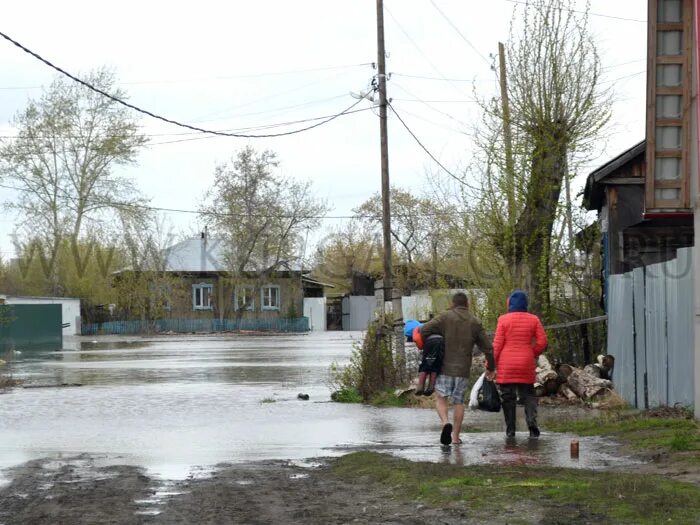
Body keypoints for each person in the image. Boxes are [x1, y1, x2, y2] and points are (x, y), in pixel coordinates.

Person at [420, 292, 495, 446]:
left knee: (441, 398)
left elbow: (424, 330)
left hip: (444, 367)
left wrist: (437, 339)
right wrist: (491, 367)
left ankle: (445, 423)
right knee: (458, 401)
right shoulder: (475, 321)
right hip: (463, 370)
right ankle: (455, 438)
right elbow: (488, 348)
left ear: (453, 303)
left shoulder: (445, 317)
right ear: (467, 304)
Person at [493, 290, 548, 438]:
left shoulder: (503, 320)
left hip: (506, 364)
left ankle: (511, 429)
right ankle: (531, 425)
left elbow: (497, 345)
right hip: (526, 362)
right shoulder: (533, 319)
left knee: (508, 397)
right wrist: (532, 352)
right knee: (529, 394)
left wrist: (489, 364)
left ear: (509, 303)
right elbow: (543, 341)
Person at [413, 327, 443, 397]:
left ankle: (420, 387)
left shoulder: (416, 329)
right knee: (436, 364)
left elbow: (417, 340)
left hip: (430, 342)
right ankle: (431, 387)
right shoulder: (433, 327)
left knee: (425, 365)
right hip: (441, 341)